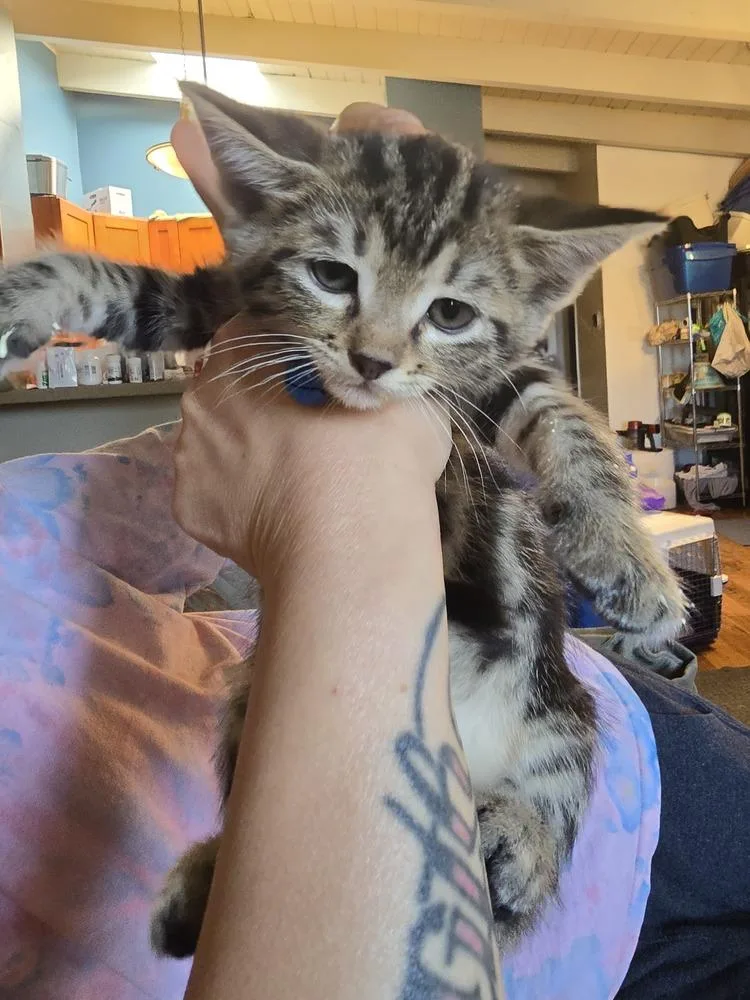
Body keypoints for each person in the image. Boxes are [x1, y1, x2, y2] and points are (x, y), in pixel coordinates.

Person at [0, 103, 748, 1000]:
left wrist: (592, 500)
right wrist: (40, 294)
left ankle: (534, 834)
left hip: (608, 765)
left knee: (566, 724)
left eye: (444, 310)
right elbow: (177, 304)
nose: (377, 351)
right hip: (547, 925)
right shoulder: (269, 306)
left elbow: (522, 391)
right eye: (334, 275)